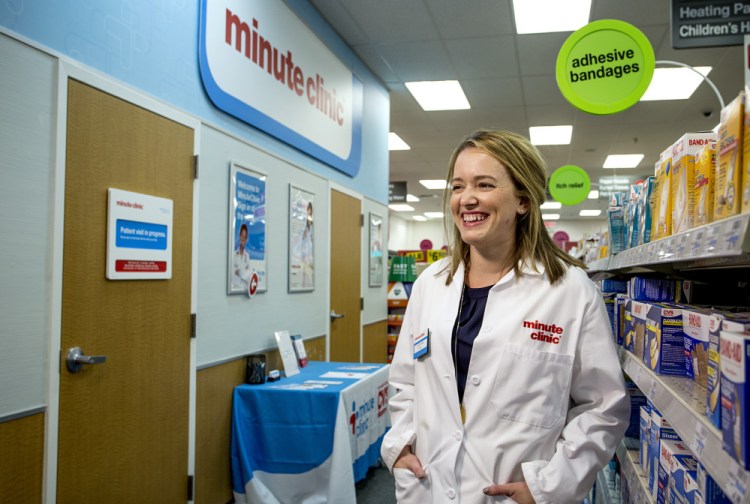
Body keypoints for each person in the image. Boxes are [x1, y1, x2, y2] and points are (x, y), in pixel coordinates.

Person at [381, 129, 629, 503]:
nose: (467, 199)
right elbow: (406, 381)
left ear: (524, 201)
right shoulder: (431, 283)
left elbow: (603, 408)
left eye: (484, 184)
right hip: (427, 486)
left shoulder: (570, 292)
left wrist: (549, 486)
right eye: (458, 186)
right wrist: (400, 448)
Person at [232, 223, 252, 290]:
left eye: (245, 237)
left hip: (244, 291)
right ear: (240, 236)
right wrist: (244, 271)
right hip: (235, 289)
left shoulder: (247, 256)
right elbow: (233, 272)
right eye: (243, 236)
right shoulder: (233, 255)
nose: (244, 239)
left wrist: (240, 272)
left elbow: (249, 275)